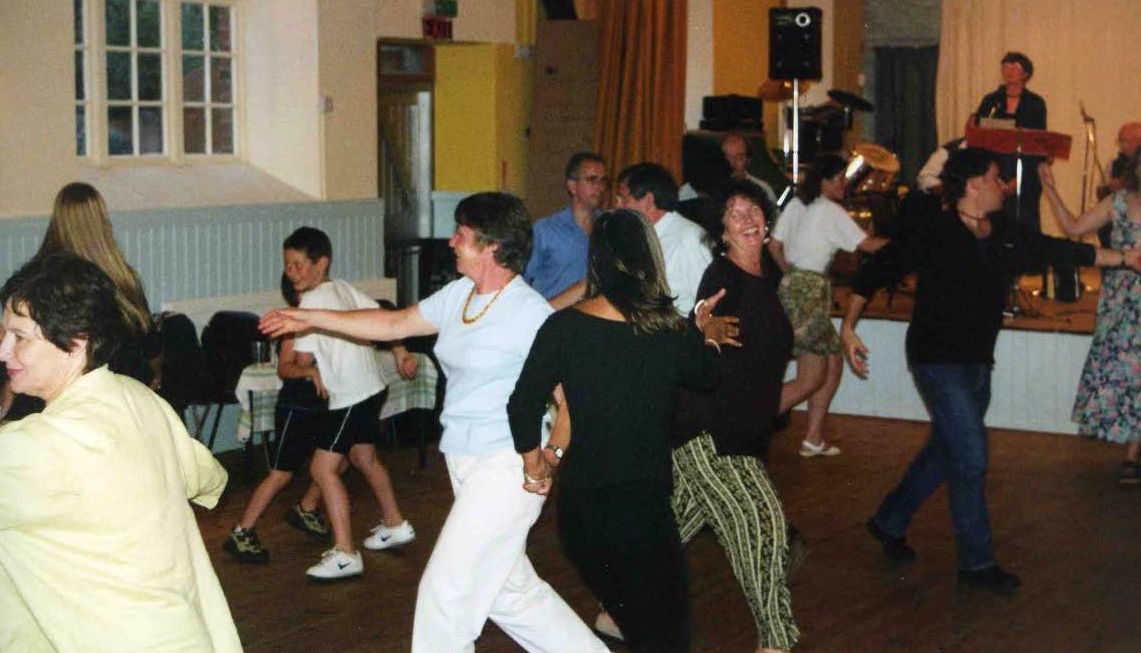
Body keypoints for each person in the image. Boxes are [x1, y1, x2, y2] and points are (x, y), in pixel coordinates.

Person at [260, 193, 609, 653]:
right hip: (464, 461)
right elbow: (391, 324)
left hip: (507, 469)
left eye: (461, 235)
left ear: (491, 247)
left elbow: (572, 400)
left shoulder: (530, 314)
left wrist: (550, 457)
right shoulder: (459, 296)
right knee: (511, 594)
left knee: (444, 596)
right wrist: (307, 316)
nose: (451, 241)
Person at [841, 148, 1141, 594]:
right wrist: (847, 327)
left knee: (947, 450)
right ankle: (976, 563)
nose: (1005, 186)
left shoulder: (1002, 231)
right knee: (972, 454)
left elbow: (1058, 248)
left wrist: (1125, 258)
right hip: (935, 359)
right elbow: (876, 271)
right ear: (975, 184)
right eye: (998, 177)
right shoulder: (934, 230)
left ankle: (889, 520)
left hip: (977, 361)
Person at [0, 252, 241, 652]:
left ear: (76, 341)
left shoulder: (39, 447)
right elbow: (208, 479)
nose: (3, 351)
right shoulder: (139, 399)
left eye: (20, 337)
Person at [507, 208, 721, 653]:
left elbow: (522, 405)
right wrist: (708, 334)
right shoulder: (670, 331)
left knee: (636, 623)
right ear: (649, 258)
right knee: (667, 634)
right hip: (642, 506)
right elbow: (706, 376)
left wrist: (537, 465)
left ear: (597, 261)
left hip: (581, 514)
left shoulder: (563, 327)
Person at [671, 180, 800, 652]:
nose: (746, 218)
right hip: (709, 431)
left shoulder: (768, 276)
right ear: (721, 230)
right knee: (763, 527)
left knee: (668, 529)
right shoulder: (720, 277)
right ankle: (776, 642)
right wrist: (701, 326)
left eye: (754, 210)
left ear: (766, 222)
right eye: (734, 212)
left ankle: (617, 607)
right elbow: (701, 321)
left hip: (743, 431)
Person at [224, 274, 414, 563]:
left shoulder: (324, 320)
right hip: (296, 409)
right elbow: (286, 369)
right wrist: (311, 372)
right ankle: (243, 530)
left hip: (324, 407)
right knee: (283, 474)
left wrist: (397, 350)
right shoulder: (295, 329)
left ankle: (310, 508)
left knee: (344, 459)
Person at [273, 227, 414, 580]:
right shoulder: (343, 288)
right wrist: (400, 351)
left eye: (299, 264)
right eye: (288, 266)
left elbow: (299, 363)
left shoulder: (311, 302)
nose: (292, 272)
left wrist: (303, 364)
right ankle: (395, 524)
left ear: (322, 263)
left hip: (352, 397)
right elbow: (383, 315)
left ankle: (346, 553)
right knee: (363, 457)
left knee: (322, 470)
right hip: (371, 389)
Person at [1, 182, 156, 421]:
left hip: (51, 405)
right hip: (121, 397)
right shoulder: (125, 279)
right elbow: (149, 344)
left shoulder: (38, 284)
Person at [769, 154, 889, 458]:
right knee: (812, 377)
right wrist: (909, 243)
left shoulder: (797, 204)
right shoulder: (830, 210)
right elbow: (867, 245)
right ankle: (749, 423)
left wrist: (791, 274)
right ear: (824, 181)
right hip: (810, 291)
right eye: (839, 178)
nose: (844, 183)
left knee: (832, 362)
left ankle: (813, 437)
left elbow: (773, 246)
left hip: (792, 287)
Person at [1039, 158, 1141, 486]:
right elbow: (1073, 228)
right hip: (1124, 299)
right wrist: (1050, 190)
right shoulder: (1119, 202)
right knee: (1128, 372)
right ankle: (1132, 453)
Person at [550, 161, 712, 316]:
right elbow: (595, 284)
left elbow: (708, 301)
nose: (617, 205)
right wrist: (544, 310)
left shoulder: (689, 238)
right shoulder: (633, 237)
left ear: (647, 200)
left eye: (622, 197)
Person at [974, 51, 1048, 233]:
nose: (1008, 71)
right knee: (994, 225)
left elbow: (1038, 144)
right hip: (994, 172)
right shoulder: (990, 101)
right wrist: (995, 178)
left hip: (1026, 172)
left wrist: (1018, 180)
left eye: (1015, 67)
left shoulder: (1035, 103)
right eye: (1005, 67)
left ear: (1026, 74)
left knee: (1025, 226)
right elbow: (979, 137)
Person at [523, 152, 607, 298]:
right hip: (554, 316)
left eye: (603, 181)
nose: (599, 187)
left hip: (596, 317)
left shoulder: (609, 228)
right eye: (591, 180)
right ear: (572, 186)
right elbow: (521, 280)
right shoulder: (546, 231)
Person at [1095, 121, 1141, 246]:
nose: (1123, 146)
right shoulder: (1114, 164)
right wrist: (1110, 188)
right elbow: (1100, 192)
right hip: (1117, 221)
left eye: (1127, 141)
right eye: (1121, 142)